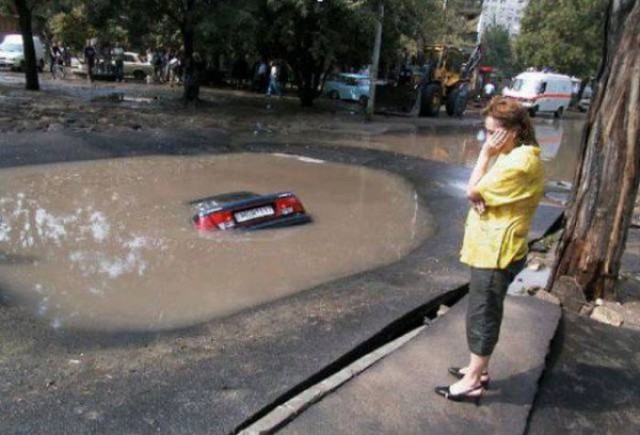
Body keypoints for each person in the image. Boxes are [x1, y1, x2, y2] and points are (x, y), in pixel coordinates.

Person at [435, 97, 545, 403]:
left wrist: (483, 157)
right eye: (486, 133)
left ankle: (473, 381)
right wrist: (478, 190)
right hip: (493, 246)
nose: (489, 139)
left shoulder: (520, 162)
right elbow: (477, 191)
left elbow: (472, 188)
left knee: (483, 313)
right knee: (482, 308)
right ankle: (477, 369)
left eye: (493, 132)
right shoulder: (515, 154)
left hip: (498, 252)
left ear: (513, 130)